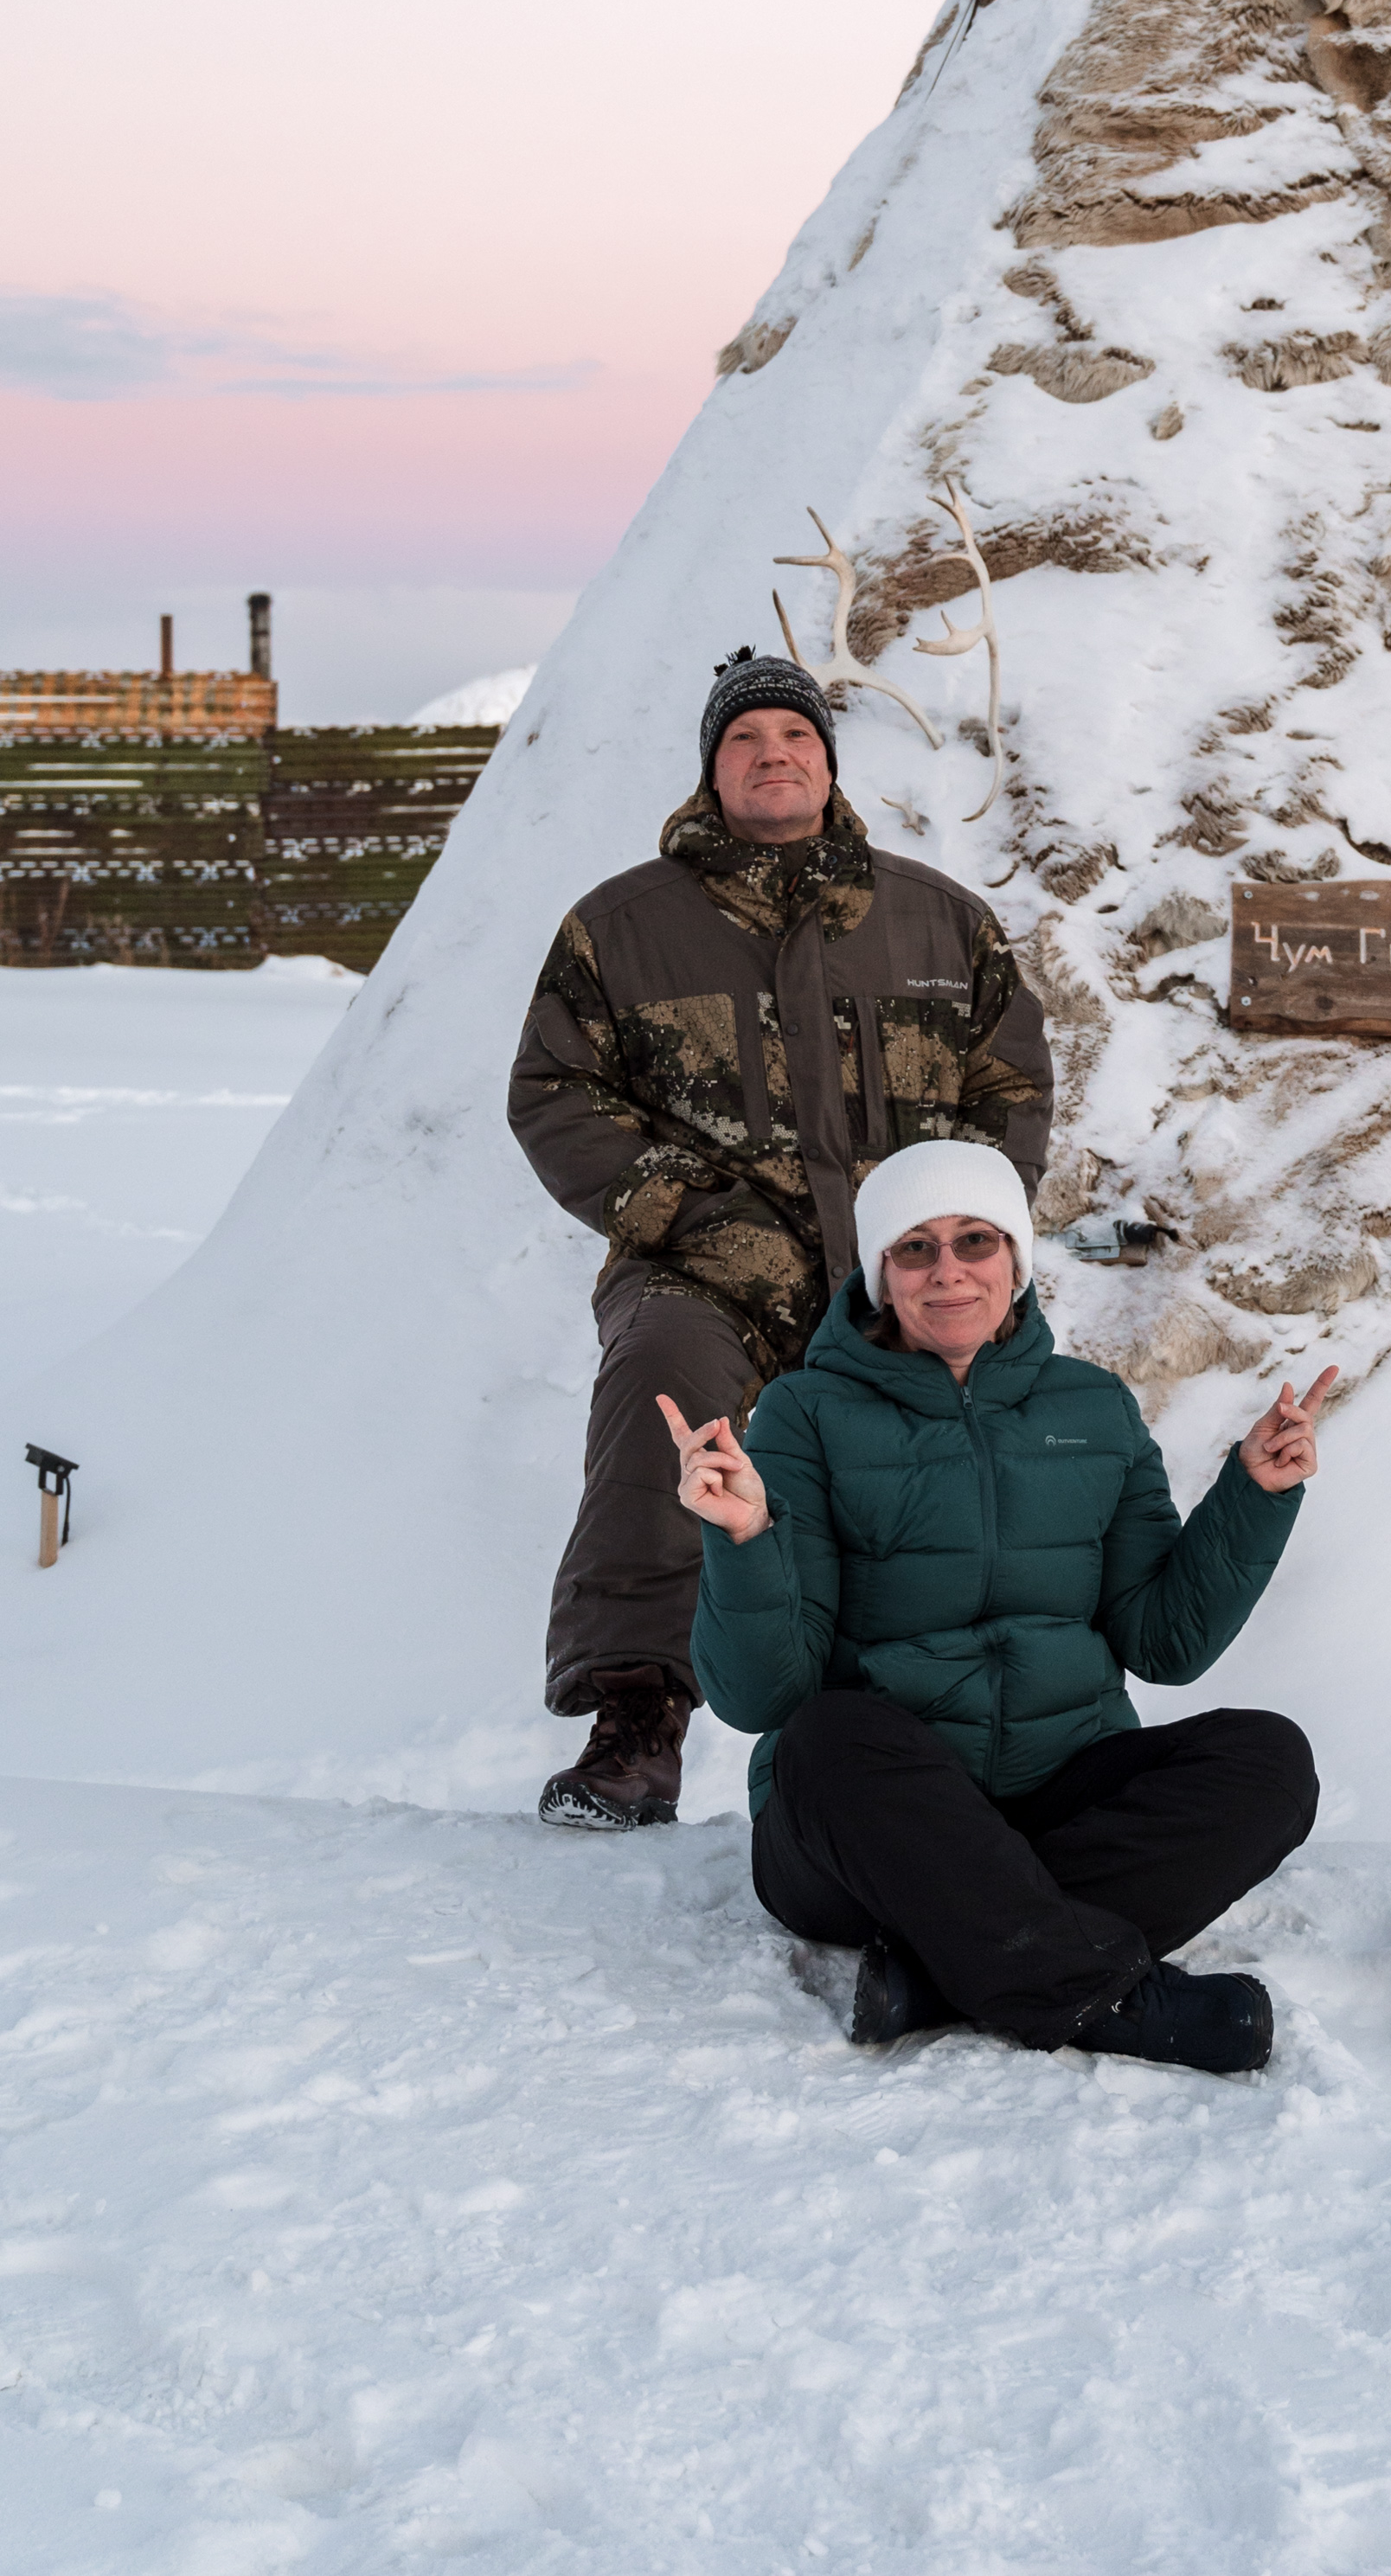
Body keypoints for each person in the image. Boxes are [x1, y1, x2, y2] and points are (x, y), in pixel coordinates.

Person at [508, 645, 1051, 1831]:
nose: (774, 757)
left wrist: (952, 1249)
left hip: (894, 1269)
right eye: (746, 741)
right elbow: (555, 1095)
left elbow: (1008, 1090)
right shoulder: (623, 926)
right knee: (663, 1382)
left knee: (973, 1419)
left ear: (829, 761)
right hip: (702, 1265)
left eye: (794, 738)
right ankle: (638, 1718)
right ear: (712, 771)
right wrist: (692, 1214)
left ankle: (979, 1729)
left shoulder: (939, 921)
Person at [663, 1139, 1332, 2075]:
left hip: (1057, 1795)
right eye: (914, 1248)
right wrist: (743, 1539)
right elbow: (761, 1697)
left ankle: (953, 1966)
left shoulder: (1093, 1408)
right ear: (879, 1274)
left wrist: (1251, 1499)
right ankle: (1110, 1999)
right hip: (874, 1835)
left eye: (974, 1240)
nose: (948, 1271)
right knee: (827, 1734)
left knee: (1268, 1760)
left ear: (1015, 1263)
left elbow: (1164, 1642)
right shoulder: (805, 1413)